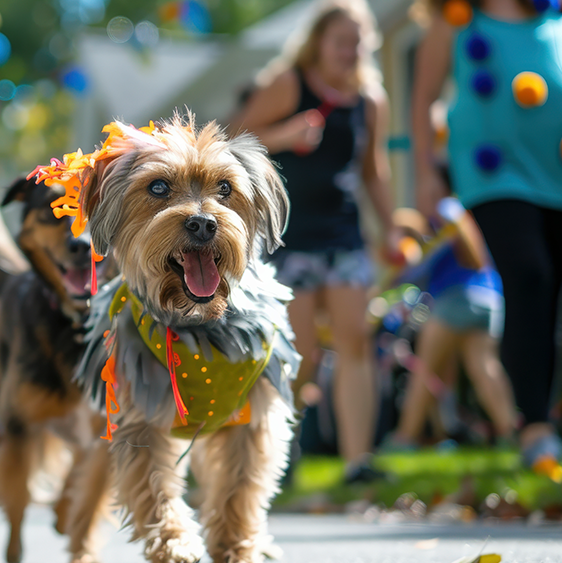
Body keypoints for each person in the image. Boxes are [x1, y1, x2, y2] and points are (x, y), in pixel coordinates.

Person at [237, 0, 401, 483]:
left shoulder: (370, 100)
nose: (350, 51)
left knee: (355, 341)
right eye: (340, 42)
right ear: (319, 43)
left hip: (344, 234)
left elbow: (374, 170)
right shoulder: (289, 82)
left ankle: (357, 461)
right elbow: (238, 138)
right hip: (290, 236)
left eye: (357, 43)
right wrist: (287, 133)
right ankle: (278, 450)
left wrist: (390, 226)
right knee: (300, 350)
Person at [411, 0, 562, 473]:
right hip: (493, 175)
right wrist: (425, 173)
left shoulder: (555, 18)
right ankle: (535, 429)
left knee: (551, 292)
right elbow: (424, 98)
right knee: (529, 275)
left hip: (556, 173)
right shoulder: (455, 18)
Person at [385, 198, 517, 449]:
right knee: (484, 367)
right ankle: (510, 432)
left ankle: (403, 438)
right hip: (490, 297)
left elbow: (472, 257)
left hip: (456, 298)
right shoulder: (449, 221)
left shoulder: (445, 211)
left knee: (424, 369)